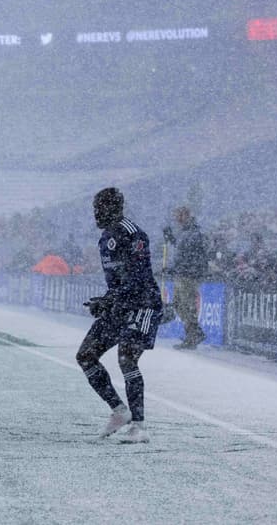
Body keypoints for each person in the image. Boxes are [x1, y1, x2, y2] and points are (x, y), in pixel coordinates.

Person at [77, 187, 163, 444]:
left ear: (112, 208)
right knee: (86, 356)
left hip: (142, 305)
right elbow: (118, 282)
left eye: (98, 208)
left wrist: (111, 299)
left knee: (126, 357)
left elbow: (138, 277)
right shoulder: (105, 238)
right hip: (120, 306)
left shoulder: (132, 233)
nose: (95, 214)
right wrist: (105, 301)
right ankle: (119, 411)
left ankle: (139, 426)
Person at [165, 206, 209, 350]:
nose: (177, 219)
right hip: (182, 273)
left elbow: (189, 254)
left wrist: (178, 267)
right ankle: (195, 332)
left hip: (189, 274)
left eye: (179, 215)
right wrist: (171, 239)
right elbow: (181, 250)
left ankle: (192, 335)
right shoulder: (184, 232)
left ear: (186, 215)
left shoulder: (194, 232)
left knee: (187, 304)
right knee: (178, 304)